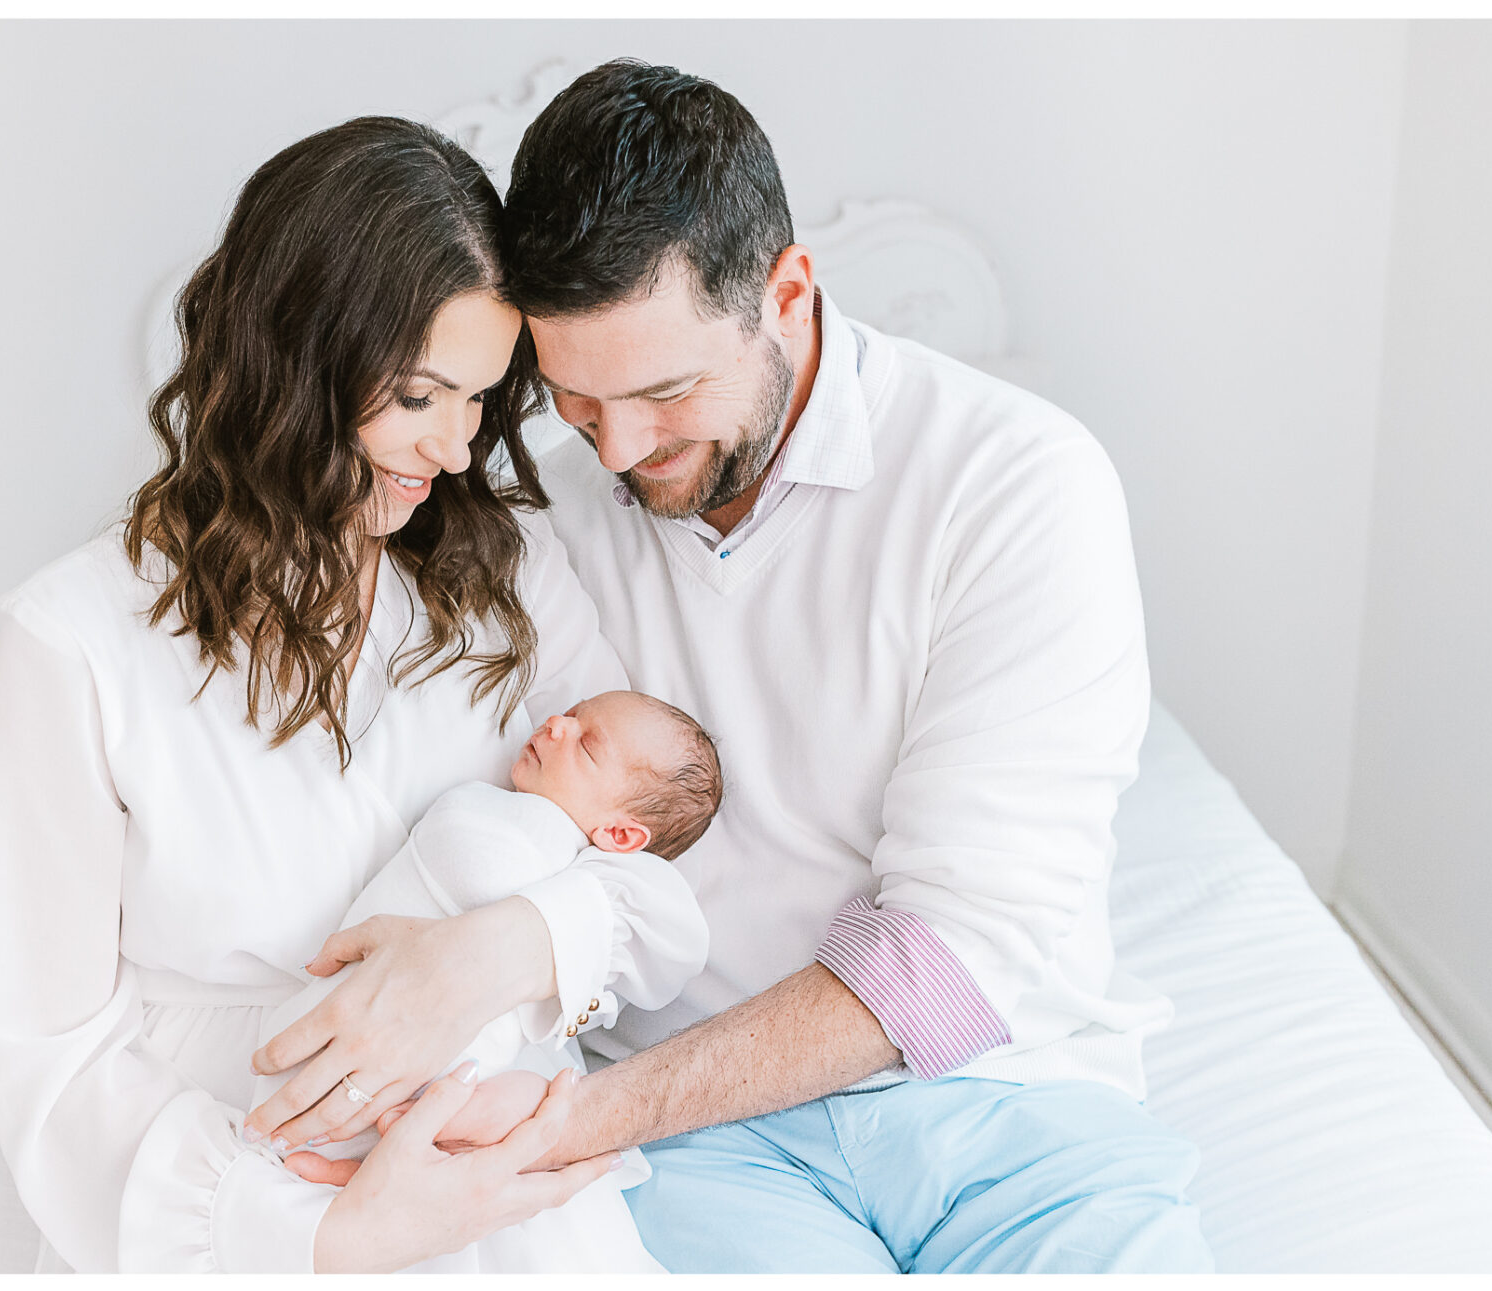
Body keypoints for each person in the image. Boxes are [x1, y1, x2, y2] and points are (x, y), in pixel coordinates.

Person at [265, 61, 1217, 1273]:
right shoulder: (544, 516)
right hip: (703, 1140)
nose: (622, 448)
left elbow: (954, 956)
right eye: (573, 398)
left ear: (788, 290)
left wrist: (579, 1123)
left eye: (667, 390)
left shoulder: (1012, 483)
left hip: (1004, 1096)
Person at [0, 115, 707, 1274]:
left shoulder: (505, 571)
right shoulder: (66, 644)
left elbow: (649, 874)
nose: (457, 451)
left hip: (495, 1155)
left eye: (479, 401)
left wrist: (505, 948)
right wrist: (330, 1229)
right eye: (419, 398)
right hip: (239, 1184)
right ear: (295, 356)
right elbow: (48, 1052)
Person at [241, 690, 721, 1270]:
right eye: (569, 714)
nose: (557, 725)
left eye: (586, 743)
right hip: (346, 1050)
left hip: (454, 1088)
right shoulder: (505, 818)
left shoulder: (581, 867)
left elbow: (672, 935)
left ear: (621, 837)